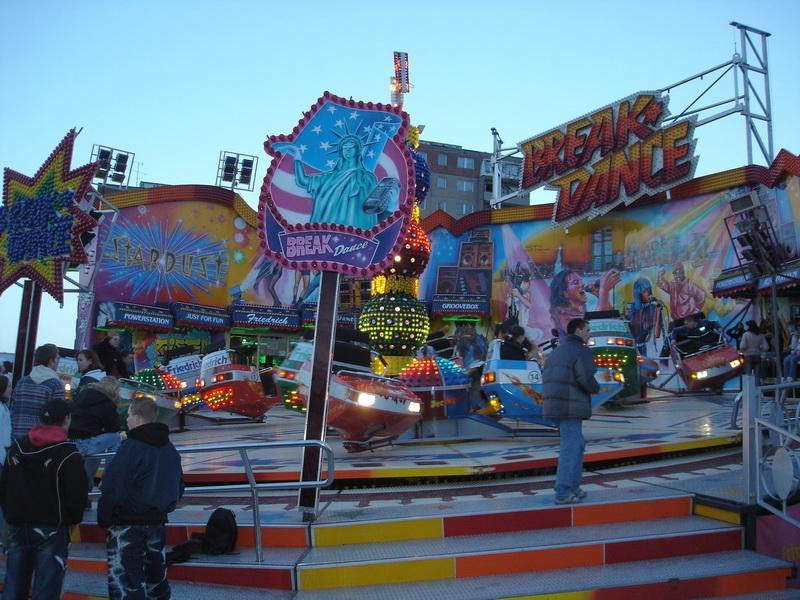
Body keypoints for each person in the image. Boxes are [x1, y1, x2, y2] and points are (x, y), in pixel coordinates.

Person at [0, 399, 88, 599]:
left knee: (14, 584)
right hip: (52, 527)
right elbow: (76, 494)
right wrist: (71, 519)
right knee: (46, 588)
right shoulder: (67, 452)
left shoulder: (17, 447)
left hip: (19, 524)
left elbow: (4, 486)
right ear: (66, 419)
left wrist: (11, 514)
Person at [99, 397, 184, 599]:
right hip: (156, 521)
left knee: (126, 581)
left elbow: (113, 486)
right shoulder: (168, 449)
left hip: (126, 523)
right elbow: (178, 485)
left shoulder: (130, 448)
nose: (126, 420)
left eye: (128, 415)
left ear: (137, 417)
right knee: (156, 578)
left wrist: (106, 516)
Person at [542, 318, 600, 505]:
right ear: (579, 331)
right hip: (569, 405)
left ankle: (573, 486)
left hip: (557, 403)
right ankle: (563, 491)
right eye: (587, 329)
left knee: (577, 444)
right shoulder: (580, 350)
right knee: (571, 447)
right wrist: (596, 388)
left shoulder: (558, 350)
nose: (589, 333)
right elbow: (585, 377)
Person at [287, 135, 379, 231]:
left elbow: (375, 206)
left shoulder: (367, 177)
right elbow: (302, 181)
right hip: (328, 231)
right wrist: (297, 157)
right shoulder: (328, 178)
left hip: (357, 234)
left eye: (351, 147)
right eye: (345, 147)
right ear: (341, 152)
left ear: (359, 151)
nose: (348, 150)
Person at [69, 377, 123, 502]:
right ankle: (108, 479)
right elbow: (114, 428)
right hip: (85, 443)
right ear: (114, 391)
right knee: (116, 439)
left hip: (71, 441)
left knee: (95, 455)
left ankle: (84, 491)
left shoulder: (82, 396)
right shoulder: (107, 403)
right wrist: (115, 406)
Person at [10, 343, 64, 439]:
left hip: (17, 437)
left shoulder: (22, 382)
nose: (58, 362)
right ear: (51, 360)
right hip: (40, 440)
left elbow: (13, 409)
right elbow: (58, 416)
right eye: (58, 358)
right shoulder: (55, 384)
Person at [550, 269, 620, 337]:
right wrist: (603, 291)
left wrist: (600, 295)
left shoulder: (580, 312)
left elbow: (611, 321)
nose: (582, 284)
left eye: (581, 281)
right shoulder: (561, 313)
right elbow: (594, 329)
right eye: (575, 282)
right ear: (564, 293)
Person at [625, 277, 663, 356]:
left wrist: (658, 312)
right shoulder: (631, 306)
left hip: (644, 349)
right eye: (645, 291)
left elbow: (657, 334)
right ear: (638, 293)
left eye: (649, 290)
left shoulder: (653, 307)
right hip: (631, 348)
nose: (648, 293)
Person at [740, 320, 769, 384]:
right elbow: (766, 347)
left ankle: (749, 390)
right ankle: (757, 388)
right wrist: (759, 349)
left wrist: (745, 350)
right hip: (757, 355)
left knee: (748, 374)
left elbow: (742, 346)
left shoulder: (745, 335)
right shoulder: (760, 335)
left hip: (748, 356)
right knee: (757, 374)